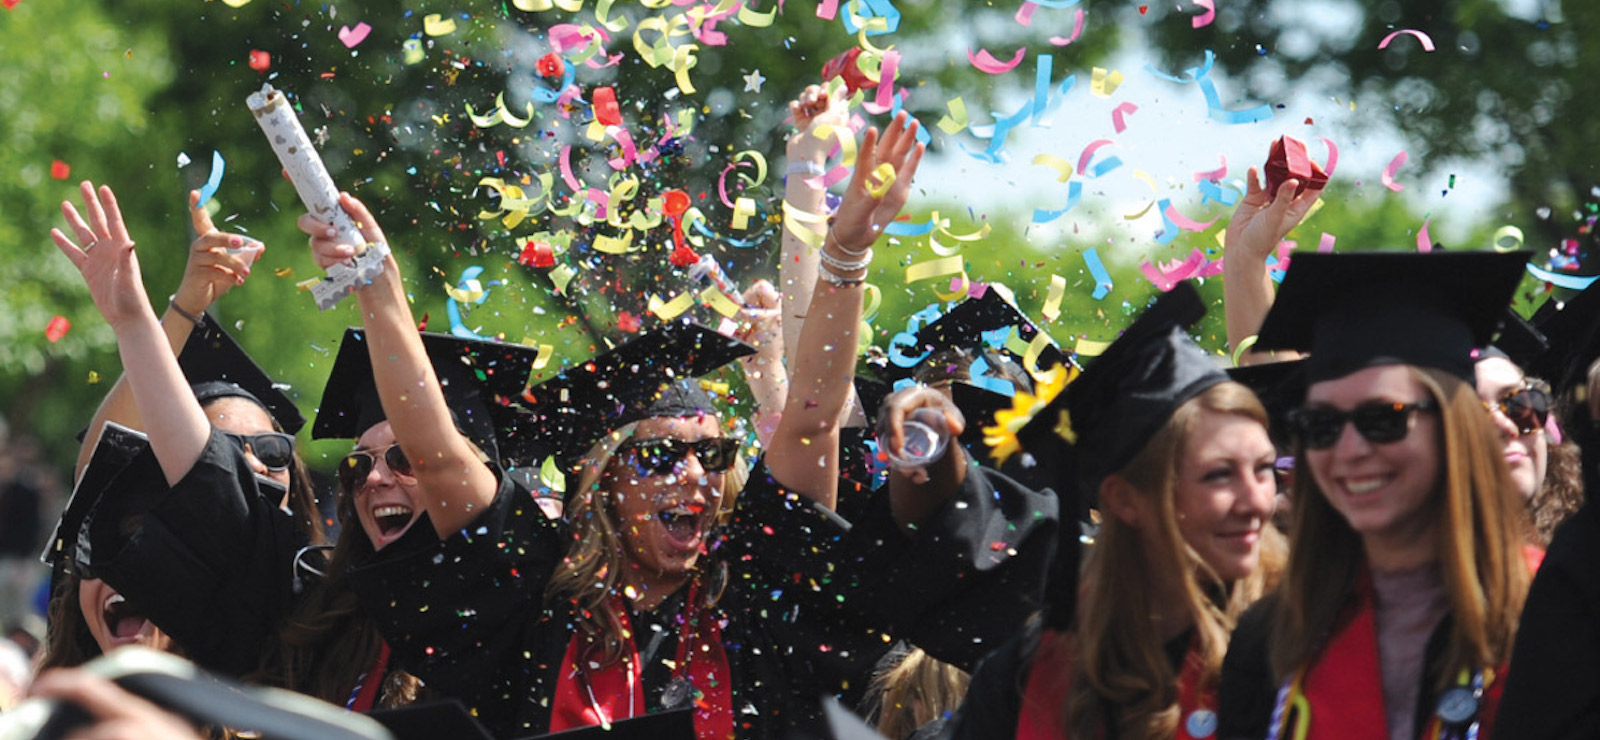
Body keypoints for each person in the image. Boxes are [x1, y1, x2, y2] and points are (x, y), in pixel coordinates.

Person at [941, 282, 1284, 740]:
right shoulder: (1036, 670)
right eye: (1219, 475)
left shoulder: (1303, 638)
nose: (1257, 501)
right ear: (1125, 499)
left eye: (1264, 470)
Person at [1218, 251, 1534, 740]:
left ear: (1455, 426)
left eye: (1382, 419)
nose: (1349, 450)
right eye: (1320, 425)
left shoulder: (1557, 608)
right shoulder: (1271, 639)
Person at [42, 183, 315, 677]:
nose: (248, 464)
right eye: (221, 449)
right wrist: (168, 313)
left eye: (272, 452)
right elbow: (103, 472)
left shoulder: (303, 628)